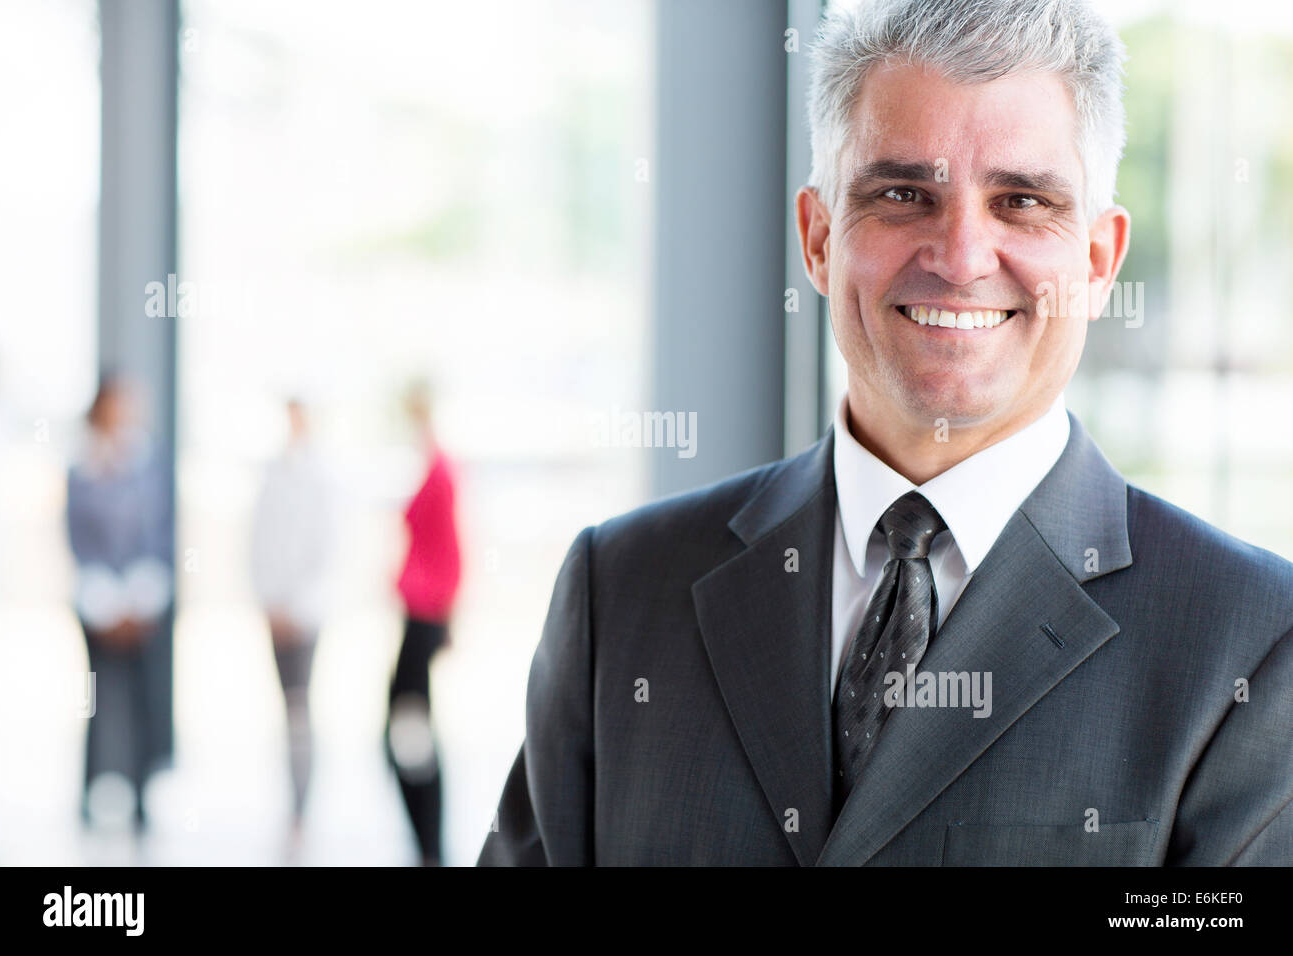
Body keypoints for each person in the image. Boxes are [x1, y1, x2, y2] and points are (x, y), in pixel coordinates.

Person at [479, 0, 1293, 866]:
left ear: (1097, 262)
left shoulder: (1252, 643)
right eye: (904, 194)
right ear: (820, 237)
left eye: (1021, 201)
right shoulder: (621, 591)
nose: (961, 254)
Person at [67, 375, 174, 831]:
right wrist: (104, 596)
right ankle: (92, 787)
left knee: (142, 698)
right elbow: (77, 539)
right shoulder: (83, 468)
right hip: (98, 603)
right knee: (95, 695)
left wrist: (140, 592)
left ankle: (142, 791)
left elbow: (162, 533)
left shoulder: (149, 464)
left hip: (142, 600)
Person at [249, 397, 334, 851]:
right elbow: (258, 542)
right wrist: (270, 602)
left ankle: (302, 803)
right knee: (286, 709)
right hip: (276, 611)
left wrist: (296, 607)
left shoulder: (321, 477)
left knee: (300, 709)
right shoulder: (274, 472)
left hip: (303, 616)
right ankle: (291, 798)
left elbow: (328, 552)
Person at [388, 382, 461, 865]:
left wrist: (444, 612)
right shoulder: (431, 464)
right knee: (408, 725)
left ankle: (430, 842)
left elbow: (452, 547)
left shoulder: (440, 470)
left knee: (407, 726)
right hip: (420, 614)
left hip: (426, 616)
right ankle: (426, 841)